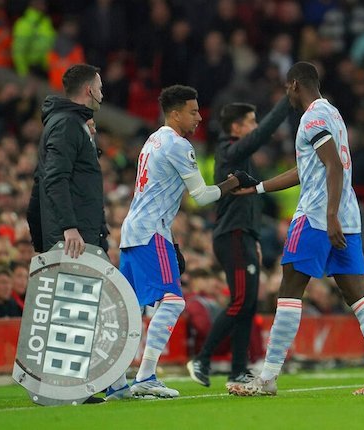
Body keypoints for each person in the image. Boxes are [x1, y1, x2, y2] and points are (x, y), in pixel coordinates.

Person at [229, 62, 364, 396]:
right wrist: (259, 187)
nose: (286, 96)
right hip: (346, 218)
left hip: (318, 217)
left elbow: (333, 165)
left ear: (295, 84)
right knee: (358, 296)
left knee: (289, 293)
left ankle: (267, 379)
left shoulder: (312, 117)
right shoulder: (332, 114)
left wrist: (330, 215)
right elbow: (307, 169)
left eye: (286, 89)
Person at [104, 84, 258, 400]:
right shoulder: (178, 145)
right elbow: (201, 197)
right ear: (175, 114)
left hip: (134, 232)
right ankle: (145, 376)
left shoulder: (153, 140)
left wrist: (173, 242)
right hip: (150, 232)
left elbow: (158, 195)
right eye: (193, 111)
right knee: (173, 302)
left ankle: (117, 381)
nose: (199, 118)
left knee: (130, 309)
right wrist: (233, 183)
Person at [187, 95, 291, 389]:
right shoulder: (230, 151)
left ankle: (238, 371)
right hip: (231, 235)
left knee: (248, 306)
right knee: (240, 301)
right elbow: (261, 135)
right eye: (251, 121)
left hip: (244, 235)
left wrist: (255, 237)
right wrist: (286, 102)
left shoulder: (238, 155)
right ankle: (202, 359)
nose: (256, 127)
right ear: (236, 126)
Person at [27, 64, 109, 257]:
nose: (102, 95)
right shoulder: (67, 124)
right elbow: (54, 178)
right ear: (89, 90)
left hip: (74, 236)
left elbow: (45, 178)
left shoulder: (73, 124)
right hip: (72, 240)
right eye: (100, 89)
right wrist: (69, 227)